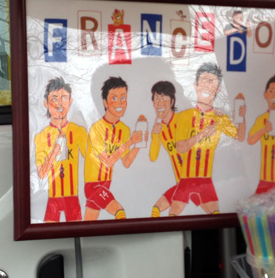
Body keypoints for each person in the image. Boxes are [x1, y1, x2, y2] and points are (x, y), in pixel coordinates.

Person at [170, 63, 246, 216]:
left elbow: (239, 137)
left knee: (216, 218)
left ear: (218, 89)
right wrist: (202, 134)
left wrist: (241, 118)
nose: (206, 85)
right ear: (196, 85)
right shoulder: (185, 116)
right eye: (203, 80)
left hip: (206, 180)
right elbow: (180, 148)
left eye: (211, 82)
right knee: (173, 216)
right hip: (186, 179)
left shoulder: (220, 118)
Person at [84, 76, 147, 220]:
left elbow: (126, 162)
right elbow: (107, 162)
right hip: (93, 185)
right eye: (114, 98)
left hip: (106, 185)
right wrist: (130, 142)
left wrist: (138, 144)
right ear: (105, 102)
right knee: (119, 212)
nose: (119, 103)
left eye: (123, 98)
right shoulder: (96, 129)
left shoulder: (124, 129)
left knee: (88, 223)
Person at [34, 76, 88, 222]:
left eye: (64, 98)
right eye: (54, 98)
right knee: (48, 232)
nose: (59, 103)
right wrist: (53, 154)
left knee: (78, 232)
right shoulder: (41, 136)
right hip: (53, 199)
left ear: (70, 101)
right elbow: (42, 173)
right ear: (46, 103)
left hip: (72, 197)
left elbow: (92, 159)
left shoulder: (78, 131)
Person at [148, 81, 182, 217]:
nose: (159, 103)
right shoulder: (159, 129)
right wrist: (155, 134)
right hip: (181, 184)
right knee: (156, 210)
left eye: (163, 99)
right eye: (156, 99)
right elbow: (153, 157)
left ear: (172, 101)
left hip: (193, 180)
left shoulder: (182, 120)